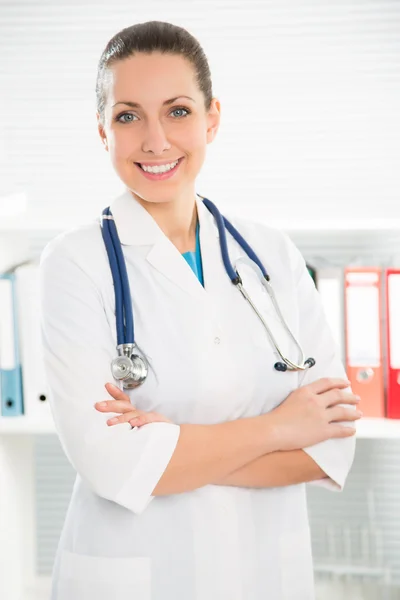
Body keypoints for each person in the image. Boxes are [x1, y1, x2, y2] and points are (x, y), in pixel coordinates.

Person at [39, 20, 361, 600]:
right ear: (102, 130)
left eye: (179, 111)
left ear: (212, 118)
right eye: (128, 115)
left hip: (266, 575)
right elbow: (110, 463)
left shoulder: (272, 255)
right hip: (135, 578)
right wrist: (279, 428)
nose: (156, 140)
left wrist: (170, 454)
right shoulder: (75, 263)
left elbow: (331, 445)